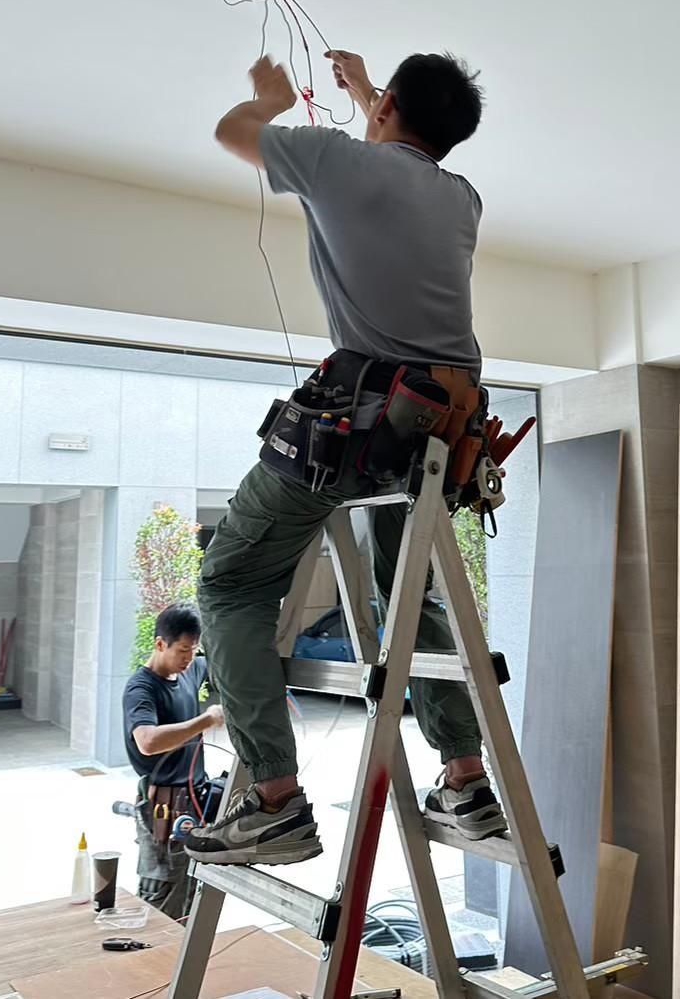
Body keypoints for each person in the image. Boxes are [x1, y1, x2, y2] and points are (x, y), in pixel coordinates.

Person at [184, 48, 506, 867]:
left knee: (229, 583)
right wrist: (368, 91)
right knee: (410, 598)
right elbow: (400, 143)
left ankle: (273, 800)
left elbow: (233, 132)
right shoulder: (462, 200)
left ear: (390, 107)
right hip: (437, 437)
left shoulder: (337, 162)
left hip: (356, 430)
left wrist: (268, 95)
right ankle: (465, 778)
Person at [122, 602, 223, 914]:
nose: (188, 658)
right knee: (161, 897)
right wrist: (205, 721)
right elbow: (147, 742)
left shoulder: (192, 670)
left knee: (192, 893)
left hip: (196, 804)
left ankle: (182, 961)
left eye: (193, 649)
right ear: (159, 644)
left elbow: (223, 657)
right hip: (163, 810)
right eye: (182, 650)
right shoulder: (141, 688)